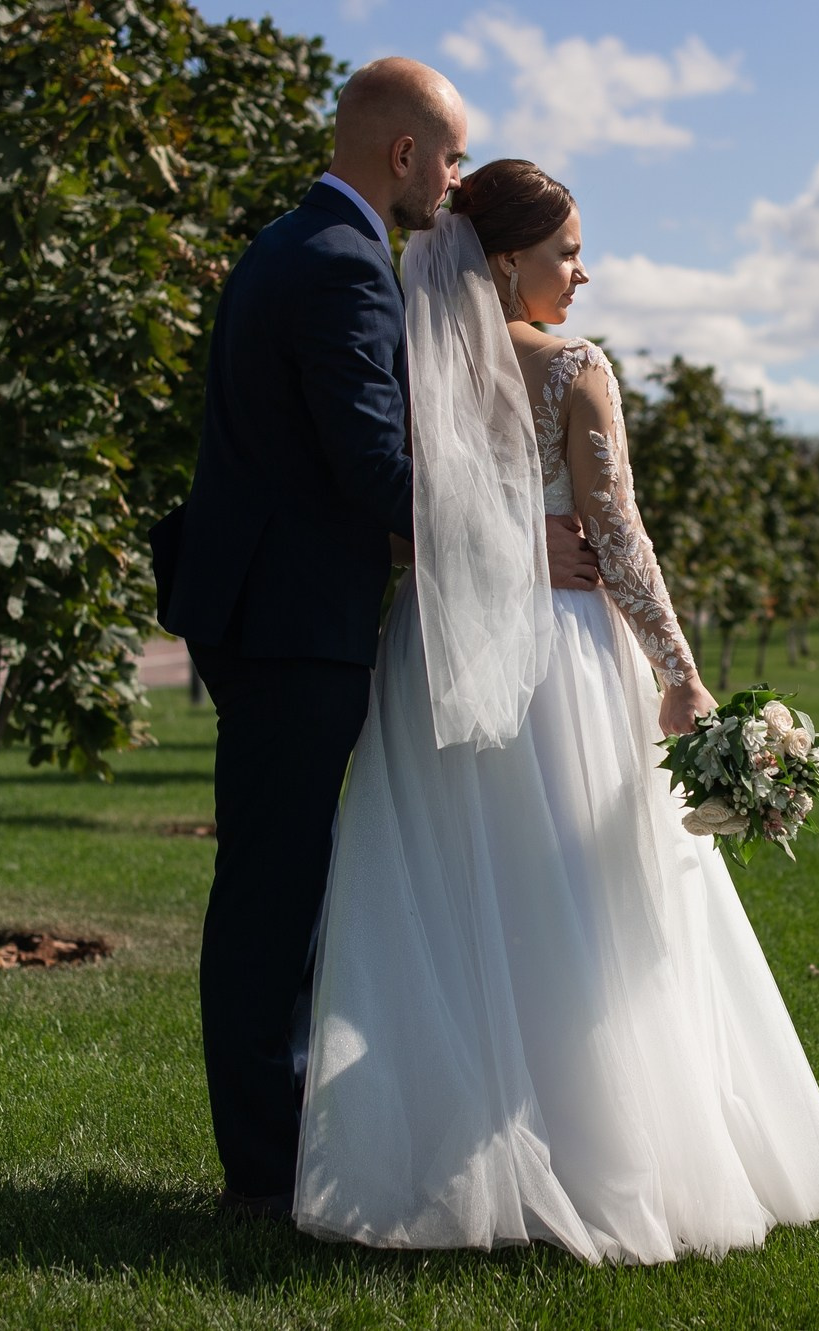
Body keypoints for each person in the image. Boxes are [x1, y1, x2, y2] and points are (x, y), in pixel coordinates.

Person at [293, 159, 819, 1263]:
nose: (581, 272)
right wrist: (683, 675)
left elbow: (393, 512)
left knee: (463, 898)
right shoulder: (573, 367)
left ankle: (443, 1164)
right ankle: (598, 1158)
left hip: (434, 650)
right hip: (552, 660)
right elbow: (619, 540)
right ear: (507, 260)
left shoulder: (416, 361)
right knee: (588, 906)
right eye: (564, 253)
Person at [148, 61, 600, 1220]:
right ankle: (263, 1177)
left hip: (268, 611)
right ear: (403, 155)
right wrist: (517, 542)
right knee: (270, 901)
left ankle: (278, 1154)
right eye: (449, 159)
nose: (454, 184)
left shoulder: (290, 245)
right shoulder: (344, 268)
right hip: (294, 625)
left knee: (277, 891)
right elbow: (374, 468)